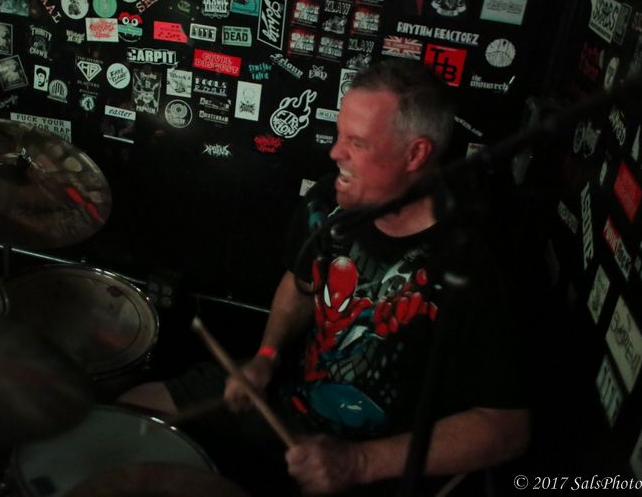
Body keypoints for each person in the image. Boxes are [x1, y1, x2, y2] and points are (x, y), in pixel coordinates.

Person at [120, 59, 530, 495]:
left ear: (416, 154)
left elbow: (505, 429)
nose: (336, 153)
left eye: (357, 143)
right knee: (131, 412)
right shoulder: (328, 205)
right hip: (290, 401)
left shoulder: (474, 265)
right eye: (339, 135)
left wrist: (359, 462)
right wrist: (267, 354)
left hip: (376, 458)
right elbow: (301, 285)